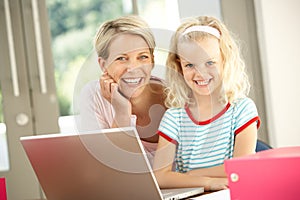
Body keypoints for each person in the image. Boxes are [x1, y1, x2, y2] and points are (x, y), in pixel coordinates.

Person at [153, 16, 260, 191]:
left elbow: (242, 168)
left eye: (210, 62)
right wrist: (208, 182)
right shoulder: (174, 117)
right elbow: (160, 177)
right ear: (179, 67)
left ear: (225, 61)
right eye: (190, 65)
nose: (200, 74)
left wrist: (192, 174)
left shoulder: (242, 109)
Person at [79, 15, 166, 164]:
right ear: (103, 64)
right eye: (121, 58)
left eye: (142, 57)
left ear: (152, 61)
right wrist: (121, 113)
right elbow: (107, 168)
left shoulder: (176, 95)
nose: (133, 68)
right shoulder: (93, 96)